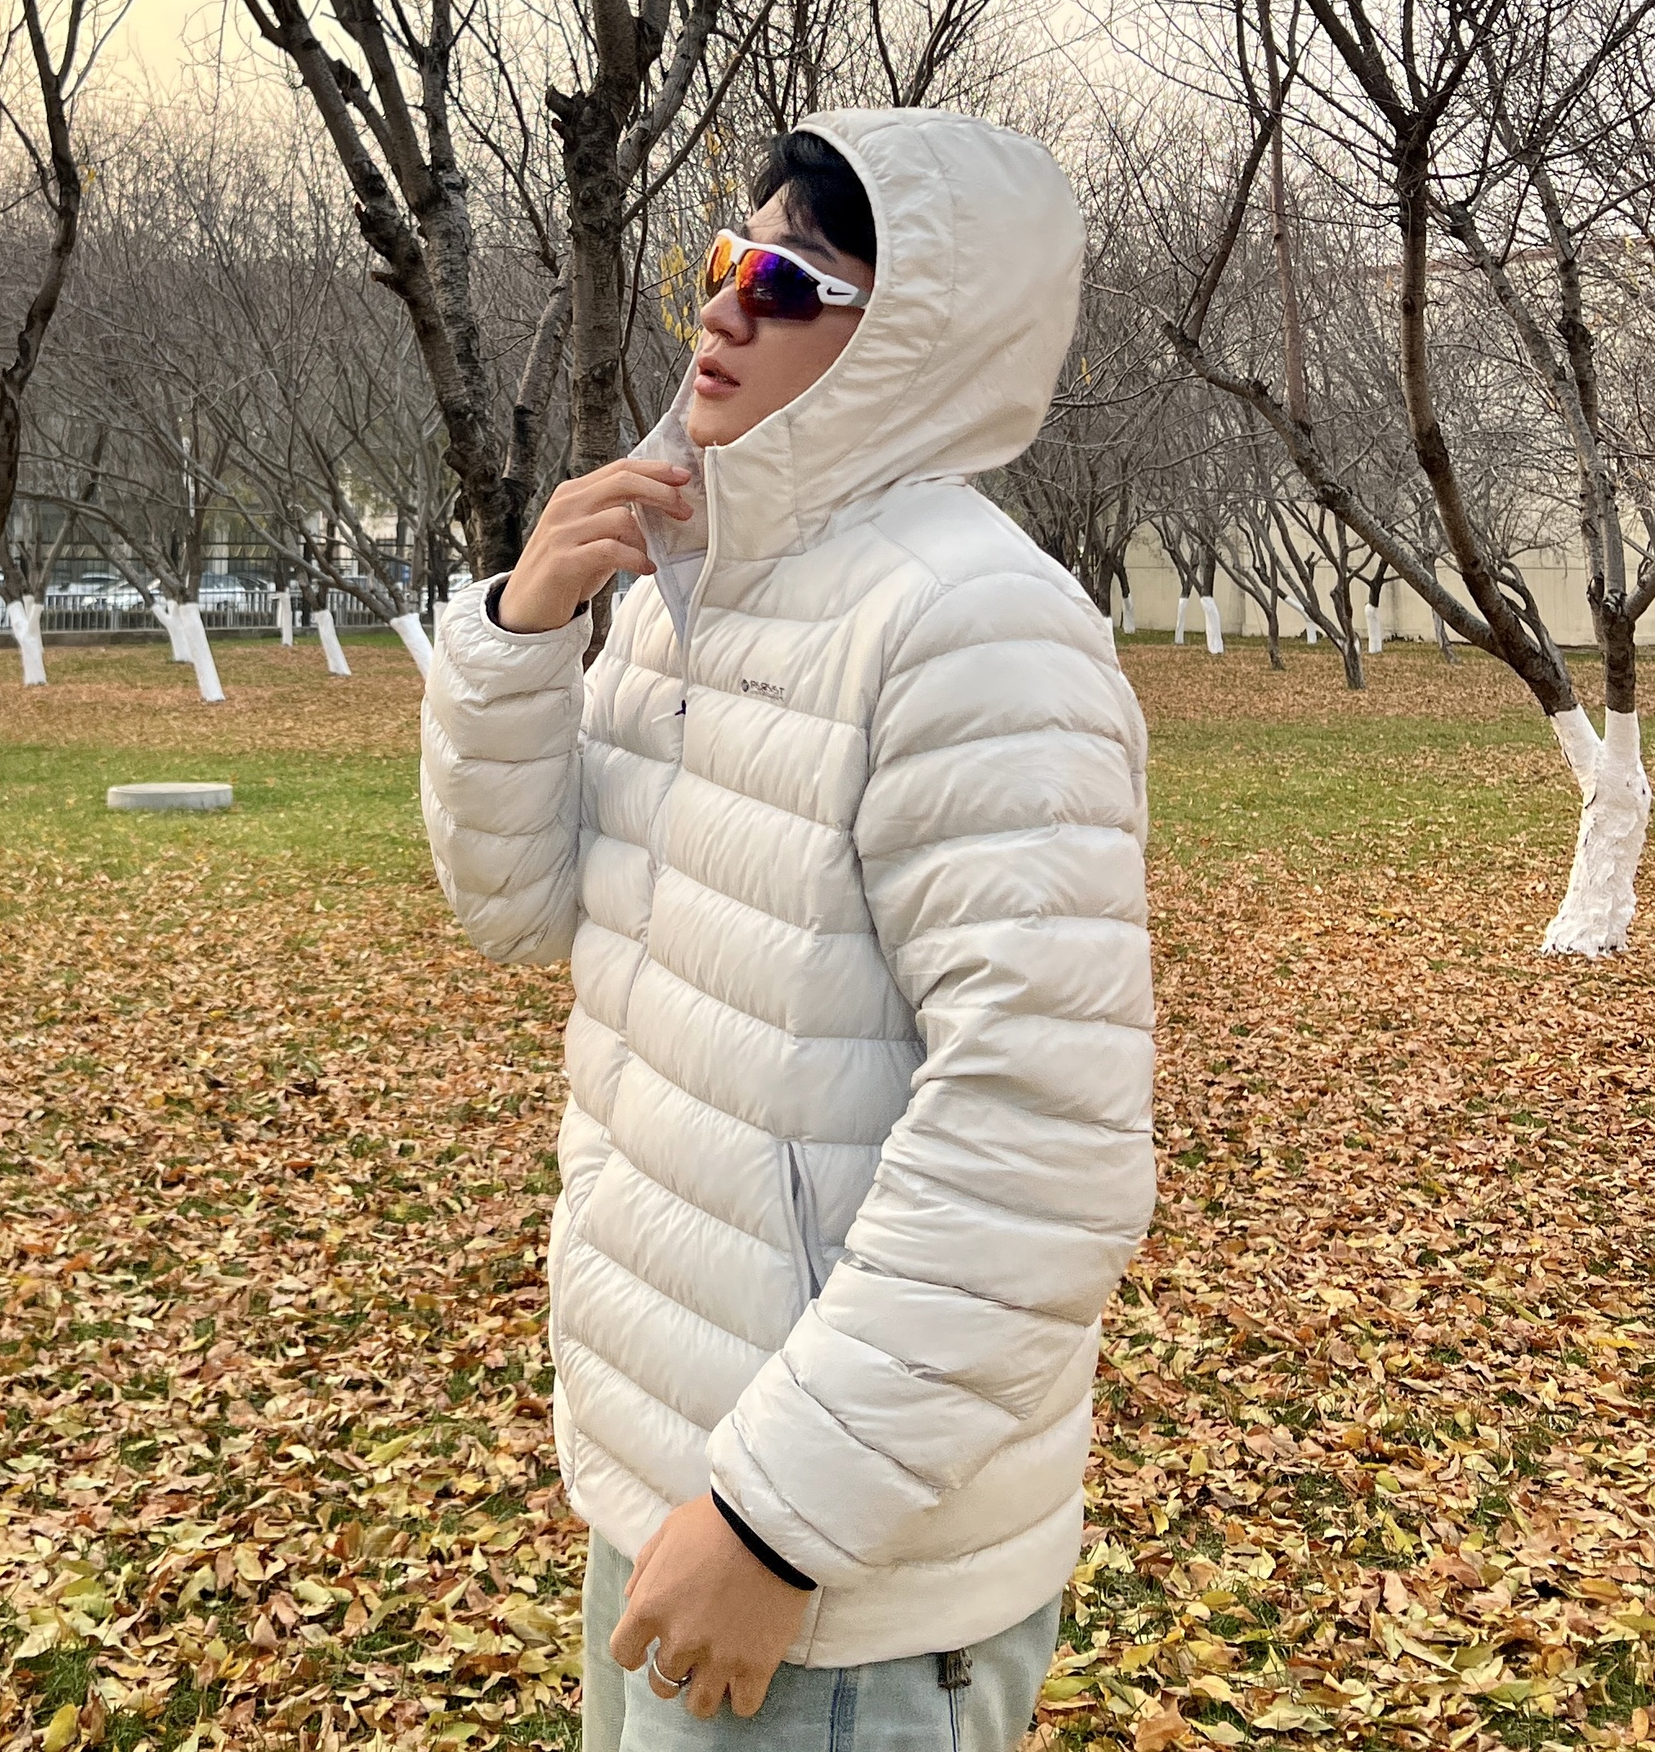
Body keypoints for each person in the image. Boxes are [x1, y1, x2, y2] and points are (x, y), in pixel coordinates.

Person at [420, 110, 1154, 1748]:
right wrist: (523, 632)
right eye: (724, 257)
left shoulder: (975, 625)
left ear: (919, 340)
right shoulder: (693, 582)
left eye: (790, 278)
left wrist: (772, 1524)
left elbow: (1042, 1148)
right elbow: (512, 906)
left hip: (826, 1571)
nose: (723, 305)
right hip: (665, 1474)